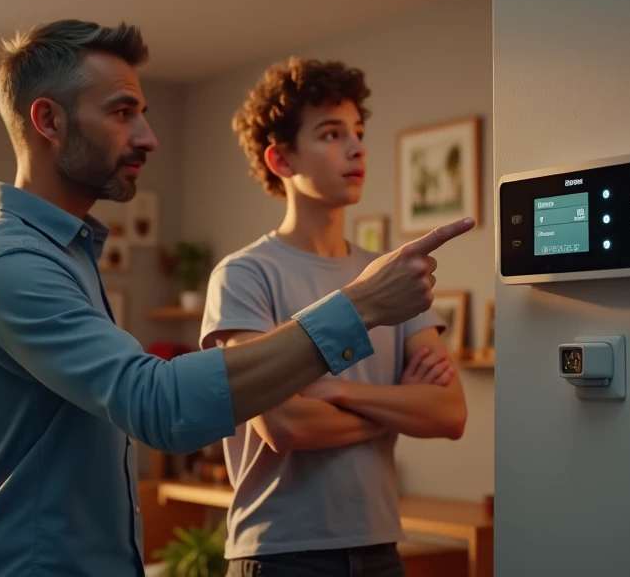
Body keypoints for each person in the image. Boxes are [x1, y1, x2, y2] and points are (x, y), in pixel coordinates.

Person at [0, 19, 473, 577]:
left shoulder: (67, 251)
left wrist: (338, 392)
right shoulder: (13, 265)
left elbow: (446, 412)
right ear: (49, 119)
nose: (148, 137)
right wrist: (360, 309)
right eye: (123, 113)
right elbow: (160, 405)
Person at [199, 57, 469, 577]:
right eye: (330, 133)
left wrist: (340, 392)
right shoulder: (243, 275)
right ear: (281, 160)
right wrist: (397, 405)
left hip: (381, 548)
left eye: (358, 132)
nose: (356, 147)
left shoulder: (391, 275)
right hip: (279, 554)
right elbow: (284, 423)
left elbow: (449, 414)